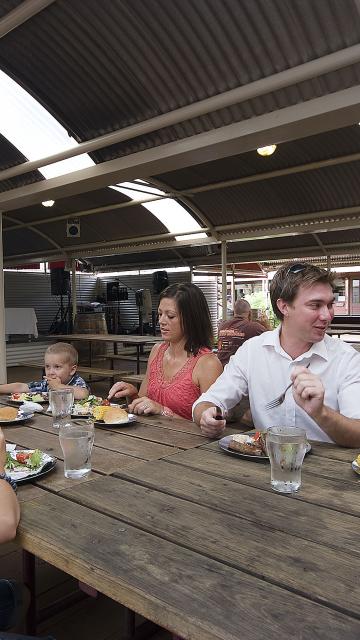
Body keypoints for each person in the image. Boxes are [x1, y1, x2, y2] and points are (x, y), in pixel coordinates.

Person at [193, 262, 360, 446]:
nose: (327, 315)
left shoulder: (346, 358)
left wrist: (321, 413)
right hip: (264, 466)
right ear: (284, 307)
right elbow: (206, 402)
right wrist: (207, 416)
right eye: (315, 305)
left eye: (329, 304)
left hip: (327, 471)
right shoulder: (252, 351)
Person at [108, 282, 223, 420]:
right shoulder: (157, 351)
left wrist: (162, 411)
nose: (161, 321)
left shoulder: (208, 363)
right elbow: (144, 401)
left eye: (171, 316)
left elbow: (212, 424)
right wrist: (132, 394)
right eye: (160, 314)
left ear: (191, 318)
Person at [0, 342, 88, 401]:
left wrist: (58, 386)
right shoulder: (47, 383)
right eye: (47, 367)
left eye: (57, 367)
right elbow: (21, 387)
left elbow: (83, 394)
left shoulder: (77, 382)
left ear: (72, 370)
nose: (50, 372)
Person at [217, 299, 266, 367]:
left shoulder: (222, 326)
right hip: (237, 370)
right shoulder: (253, 327)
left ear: (234, 312)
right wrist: (265, 323)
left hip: (220, 368)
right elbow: (272, 338)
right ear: (250, 313)